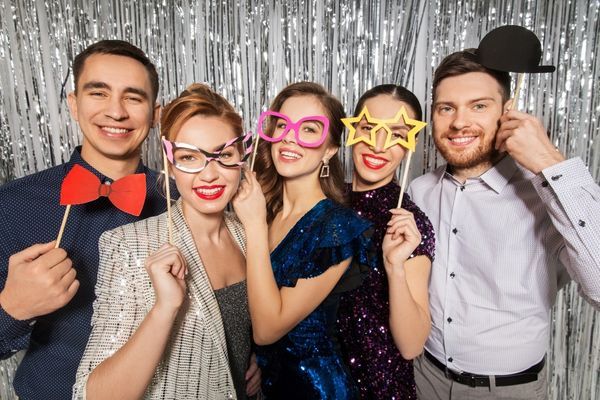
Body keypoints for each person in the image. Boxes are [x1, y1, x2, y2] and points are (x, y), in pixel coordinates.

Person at [408, 49, 600, 399]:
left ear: (507, 112)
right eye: (446, 108)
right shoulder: (419, 191)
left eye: (478, 106)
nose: (459, 122)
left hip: (511, 391)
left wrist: (548, 162)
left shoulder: (548, 195)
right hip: (424, 378)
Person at [0, 40, 166, 399]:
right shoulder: (12, 204)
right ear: (74, 104)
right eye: (99, 93)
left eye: (133, 98)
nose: (116, 112)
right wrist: (12, 309)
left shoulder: (180, 202)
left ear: (156, 115)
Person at [73, 83, 260, 399]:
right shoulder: (128, 244)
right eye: (189, 157)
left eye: (224, 154)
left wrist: (254, 359)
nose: (210, 174)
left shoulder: (248, 232)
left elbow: (241, 330)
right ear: (170, 165)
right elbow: (92, 395)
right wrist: (165, 308)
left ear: (242, 156)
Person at [233, 82, 373, 399]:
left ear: (330, 149)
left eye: (309, 129)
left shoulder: (337, 228)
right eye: (282, 124)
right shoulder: (264, 210)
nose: (289, 136)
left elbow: (268, 330)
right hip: (266, 386)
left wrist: (254, 225)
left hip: (314, 390)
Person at [336, 84, 435, 399]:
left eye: (396, 134)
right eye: (368, 128)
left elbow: (411, 346)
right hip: (314, 381)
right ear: (353, 129)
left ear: (410, 144)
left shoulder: (408, 224)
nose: (378, 145)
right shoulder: (323, 201)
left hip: (380, 389)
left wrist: (394, 266)